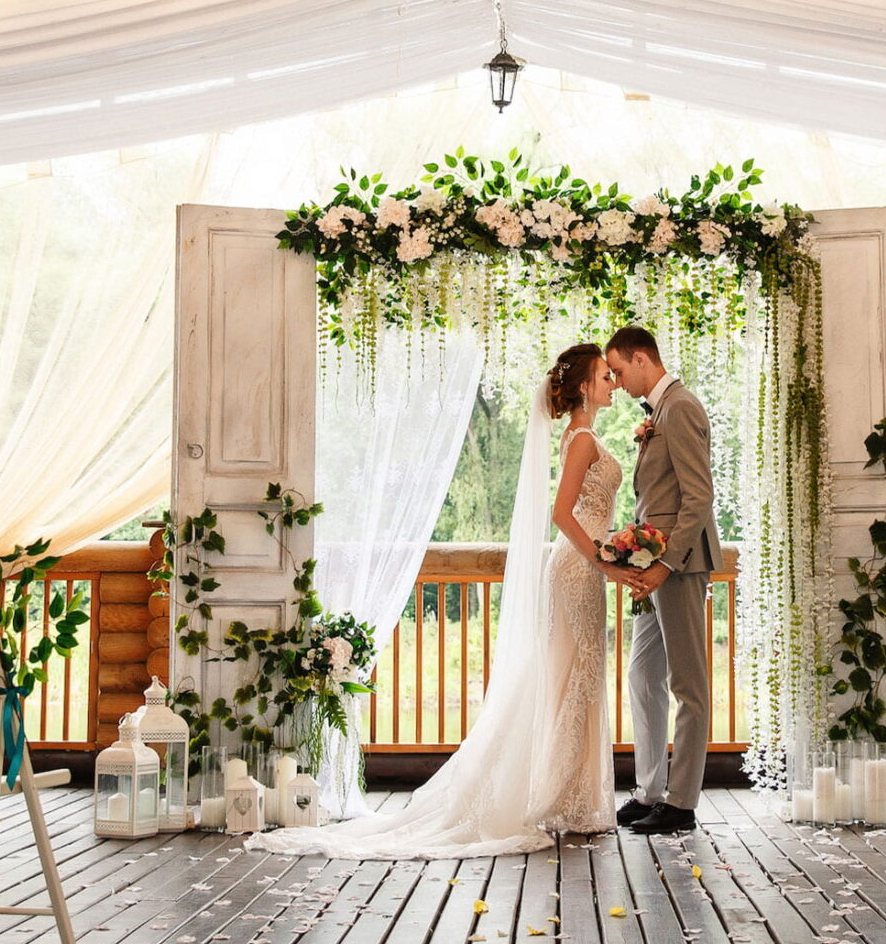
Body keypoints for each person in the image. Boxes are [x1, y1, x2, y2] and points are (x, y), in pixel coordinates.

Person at [251, 344, 619, 857]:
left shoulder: (583, 437)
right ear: (583, 386)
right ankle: (562, 796)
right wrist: (603, 557)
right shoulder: (581, 440)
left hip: (583, 567)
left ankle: (577, 797)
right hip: (578, 567)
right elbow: (561, 514)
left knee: (575, 675)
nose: (614, 382)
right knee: (569, 675)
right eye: (606, 375)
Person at [602, 325, 720, 836]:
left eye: (620, 371)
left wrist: (663, 564)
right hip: (653, 568)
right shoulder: (658, 412)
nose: (617, 381)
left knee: (688, 684)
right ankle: (650, 789)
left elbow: (698, 499)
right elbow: (656, 500)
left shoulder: (681, 406)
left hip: (679, 565)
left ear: (642, 359)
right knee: (641, 675)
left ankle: (682, 802)